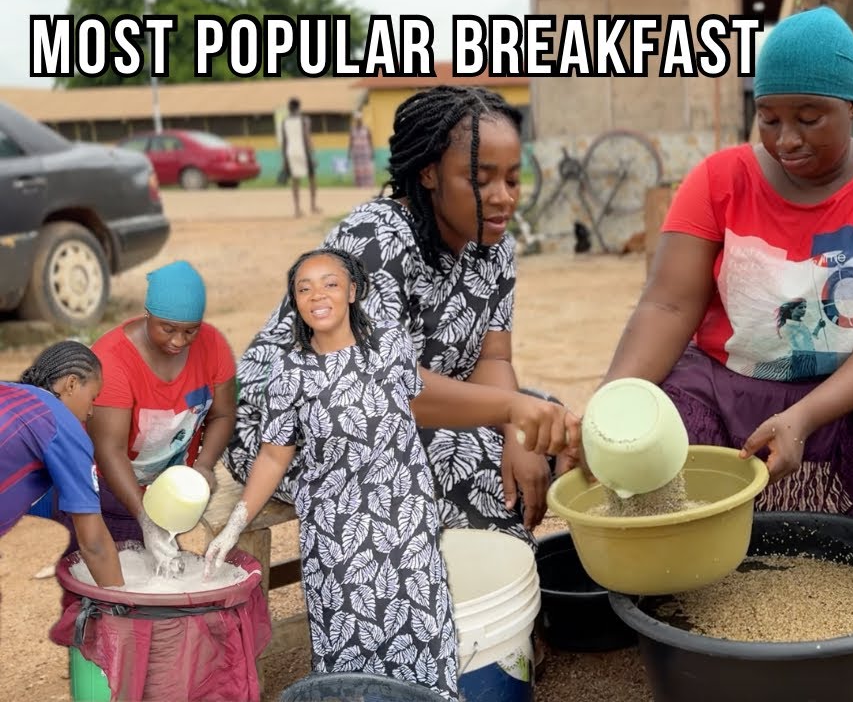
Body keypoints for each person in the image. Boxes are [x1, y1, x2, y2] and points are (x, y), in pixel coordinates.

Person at [592, 8, 853, 702]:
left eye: (810, 117)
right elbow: (666, 307)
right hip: (732, 385)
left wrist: (806, 416)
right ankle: (695, 618)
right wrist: (610, 411)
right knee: (658, 418)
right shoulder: (718, 179)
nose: (786, 139)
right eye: (769, 116)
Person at [229, 85, 579, 551]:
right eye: (482, 180)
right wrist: (509, 413)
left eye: (513, 181)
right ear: (430, 174)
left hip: (414, 405)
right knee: (471, 463)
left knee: (561, 429)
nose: (503, 198)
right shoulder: (375, 238)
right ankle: (471, 607)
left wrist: (520, 428)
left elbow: (493, 358)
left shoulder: (495, 247)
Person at [205, 249, 459, 696]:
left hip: (407, 522)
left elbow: (410, 409)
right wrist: (234, 525)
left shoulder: (391, 344)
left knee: (422, 634)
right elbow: (272, 456)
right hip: (336, 533)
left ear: (353, 292)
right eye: (304, 288)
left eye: (329, 284)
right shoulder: (289, 371)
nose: (317, 295)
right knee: (349, 649)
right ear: (295, 302)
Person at [69, 260, 237, 569]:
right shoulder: (112, 360)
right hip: (104, 492)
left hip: (166, 492)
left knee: (156, 582)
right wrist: (145, 518)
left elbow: (223, 415)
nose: (178, 341)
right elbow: (109, 450)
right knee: (103, 584)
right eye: (168, 329)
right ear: (149, 314)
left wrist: (203, 465)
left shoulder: (213, 346)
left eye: (190, 331)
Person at [1, 342, 124, 587]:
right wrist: (124, 605)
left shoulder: (9, 391)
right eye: (92, 398)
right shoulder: (62, 426)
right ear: (71, 384)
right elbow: (95, 543)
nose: (91, 411)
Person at [282, 97, 321, 217]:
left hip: (290, 152)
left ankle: (297, 209)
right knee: (312, 178)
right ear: (299, 107)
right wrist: (313, 154)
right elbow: (306, 137)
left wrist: (284, 158)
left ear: (289, 108)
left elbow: (284, 141)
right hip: (303, 151)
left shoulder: (284, 122)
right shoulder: (304, 120)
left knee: (295, 181)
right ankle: (313, 206)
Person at [348, 111, 376, 188]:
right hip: (357, 153)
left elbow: (370, 141)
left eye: (360, 119)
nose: (358, 121)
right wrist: (349, 153)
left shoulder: (366, 129)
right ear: (356, 120)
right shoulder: (352, 130)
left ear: (361, 120)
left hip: (366, 153)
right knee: (358, 169)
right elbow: (350, 142)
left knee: (367, 169)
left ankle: (368, 186)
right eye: (357, 120)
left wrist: (372, 151)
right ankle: (359, 186)